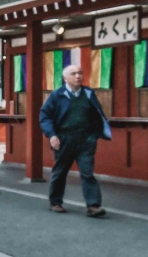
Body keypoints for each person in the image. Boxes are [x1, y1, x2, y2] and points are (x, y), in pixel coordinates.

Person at [38, 61, 112, 218]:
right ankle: (56, 202)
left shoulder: (89, 94)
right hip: (64, 138)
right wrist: (52, 135)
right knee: (60, 171)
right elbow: (45, 117)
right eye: (74, 74)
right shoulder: (57, 95)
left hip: (85, 140)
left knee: (87, 173)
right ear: (65, 78)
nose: (78, 76)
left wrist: (94, 135)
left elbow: (97, 115)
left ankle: (93, 206)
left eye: (80, 73)